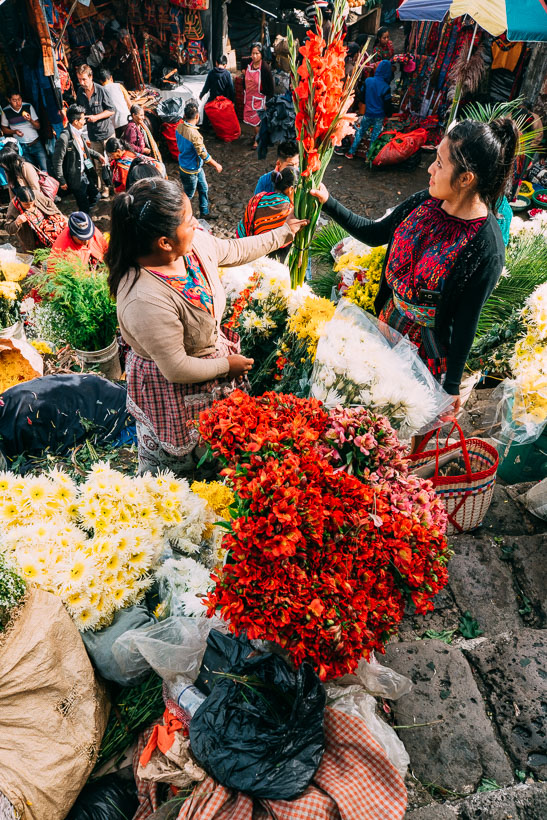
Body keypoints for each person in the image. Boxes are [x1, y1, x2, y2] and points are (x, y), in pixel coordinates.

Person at [311, 118, 519, 417]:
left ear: (465, 179)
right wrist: (328, 201)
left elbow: (465, 322)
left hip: (427, 350)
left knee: (396, 418)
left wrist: (451, 384)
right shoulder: (425, 202)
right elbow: (375, 234)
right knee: (359, 406)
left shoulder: (485, 248)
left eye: (439, 164)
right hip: (387, 323)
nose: (430, 170)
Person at [105, 178, 307, 475]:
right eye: (188, 220)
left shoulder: (193, 245)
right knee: (179, 463)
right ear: (164, 242)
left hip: (210, 367)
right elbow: (175, 368)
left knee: (216, 442)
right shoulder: (143, 299)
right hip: (172, 387)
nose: (196, 223)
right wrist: (226, 366)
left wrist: (282, 233)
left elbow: (233, 250)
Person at [52, 104, 105, 213]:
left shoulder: (78, 133)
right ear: (75, 122)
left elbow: (84, 150)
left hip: (84, 174)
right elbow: (57, 161)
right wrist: (61, 180)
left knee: (96, 196)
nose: (84, 121)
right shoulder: (64, 138)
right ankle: (82, 220)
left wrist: (98, 155)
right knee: (84, 205)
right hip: (76, 178)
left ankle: (82, 214)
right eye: (82, 119)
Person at [176, 101, 222, 221]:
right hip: (191, 170)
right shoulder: (195, 135)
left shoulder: (179, 127)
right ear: (197, 116)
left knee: (203, 188)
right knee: (188, 195)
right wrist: (216, 164)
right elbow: (203, 155)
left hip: (190, 166)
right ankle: (179, 217)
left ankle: (204, 212)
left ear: (185, 115)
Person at [75, 64, 115, 194]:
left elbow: (111, 110)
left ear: (91, 77)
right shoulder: (80, 92)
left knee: (112, 162)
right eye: (79, 79)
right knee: (98, 165)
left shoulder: (101, 91)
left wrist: (96, 117)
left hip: (106, 133)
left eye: (84, 79)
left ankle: (116, 185)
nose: (82, 82)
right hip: (92, 135)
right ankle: (105, 188)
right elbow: (80, 110)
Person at [237, 166, 297, 246]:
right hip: (263, 249)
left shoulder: (260, 196)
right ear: (291, 189)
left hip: (244, 241)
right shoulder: (287, 208)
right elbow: (286, 237)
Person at [346, 60, 392, 160]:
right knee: (374, 137)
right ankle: (368, 157)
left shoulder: (368, 81)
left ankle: (351, 152)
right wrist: (388, 115)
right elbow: (387, 104)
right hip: (379, 117)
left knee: (360, 132)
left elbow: (362, 97)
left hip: (368, 113)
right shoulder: (386, 87)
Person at [5, 185, 67, 251]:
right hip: (33, 239)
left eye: (32, 203)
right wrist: (17, 222)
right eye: (26, 205)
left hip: (49, 229)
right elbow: (8, 228)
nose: (30, 207)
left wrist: (58, 214)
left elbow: (49, 203)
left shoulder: (37, 195)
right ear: (19, 200)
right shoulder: (13, 207)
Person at [1, 90, 47, 172]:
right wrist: (14, 132)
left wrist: (30, 120)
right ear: (9, 100)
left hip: (35, 143)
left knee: (45, 169)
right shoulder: (5, 111)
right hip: (22, 146)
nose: (18, 102)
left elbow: (38, 126)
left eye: (19, 99)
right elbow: (4, 129)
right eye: (14, 100)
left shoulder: (28, 106)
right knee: (31, 171)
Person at [242, 44, 274, 149]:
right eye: (252, 53)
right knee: (252, 121)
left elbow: (270, 88)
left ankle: (257, 141)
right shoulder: (249, 65)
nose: (254, 56)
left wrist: (268, 102)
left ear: (261, 54)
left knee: (257, 121)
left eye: (257, 53)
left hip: (260, 99)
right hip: (249, 97)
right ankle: (257, 136)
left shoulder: (265, 68)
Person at [97, 67, 131, 135]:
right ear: (111, 78)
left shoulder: (100, 92)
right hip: (126, 120)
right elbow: (129, 104)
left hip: (113, 126)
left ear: (100, 81)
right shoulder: (119, 86)